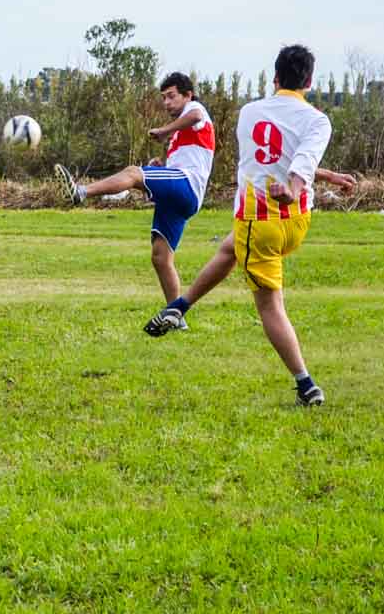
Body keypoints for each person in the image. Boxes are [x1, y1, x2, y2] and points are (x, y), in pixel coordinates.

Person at [143, 45, 359, 406]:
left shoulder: (250, 113)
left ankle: (306, 385)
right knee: (230, 248)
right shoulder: (318, 119)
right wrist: (319, 180)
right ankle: (179, 305)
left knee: (271, 305)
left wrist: (287, 188)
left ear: (274, 77)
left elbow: (266, 162)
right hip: (297, 221)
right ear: (309, 80)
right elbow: (298, 160)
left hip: (260, 221)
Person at [55, 72, 216, 307]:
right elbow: (186, 160)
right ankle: (175, 315)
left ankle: (80, 192)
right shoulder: (180, 134)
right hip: (181, 193)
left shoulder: (194, 110)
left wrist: (164, 130)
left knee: (132, 172)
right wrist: (159, 167)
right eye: (163, 98)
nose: (166, 103)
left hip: (187, 184)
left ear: (187, 95)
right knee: (161, 257)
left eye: (171, 96)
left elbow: (196, 114)